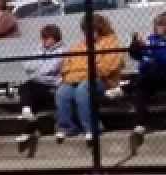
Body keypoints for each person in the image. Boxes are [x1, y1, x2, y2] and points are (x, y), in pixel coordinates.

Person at [57, 13, 124, 147]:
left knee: (83, 89)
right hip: (78, 80)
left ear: (100, 28)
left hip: (105, 83)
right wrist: (84, 70)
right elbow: (65, 68)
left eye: (90, 30)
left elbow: (105, 69)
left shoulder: (112, 43)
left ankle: (92, 128)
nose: (87, 33)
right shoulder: (78, 46)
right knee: (63, 91)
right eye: (85, 30)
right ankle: (67, 127)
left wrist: (80, 71)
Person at [16, 24, 65, 150]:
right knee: (26, 87)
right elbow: (26, 65)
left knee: (27, 87)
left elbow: (49, 69)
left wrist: (37, 67)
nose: (43, 41)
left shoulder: (61, 51)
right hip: (38, 84)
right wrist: (40, 65)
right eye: (43, 38)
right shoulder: (41, 49)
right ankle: (27, 113)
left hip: (52, 86)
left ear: (55, 38)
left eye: (46, 38)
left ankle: (28, 128)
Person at [129, 12, 166, 151]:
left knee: (145, 77)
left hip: (163, 75)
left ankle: (124, 88)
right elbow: (137, 56)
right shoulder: (151, 39)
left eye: (161, 24)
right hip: (149, 77)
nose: (158, 27)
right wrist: (136, 45)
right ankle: (140, 125)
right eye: (157, 24)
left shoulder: (155, 43)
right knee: (141, 88)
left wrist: (149, 50)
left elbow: (163, 59)